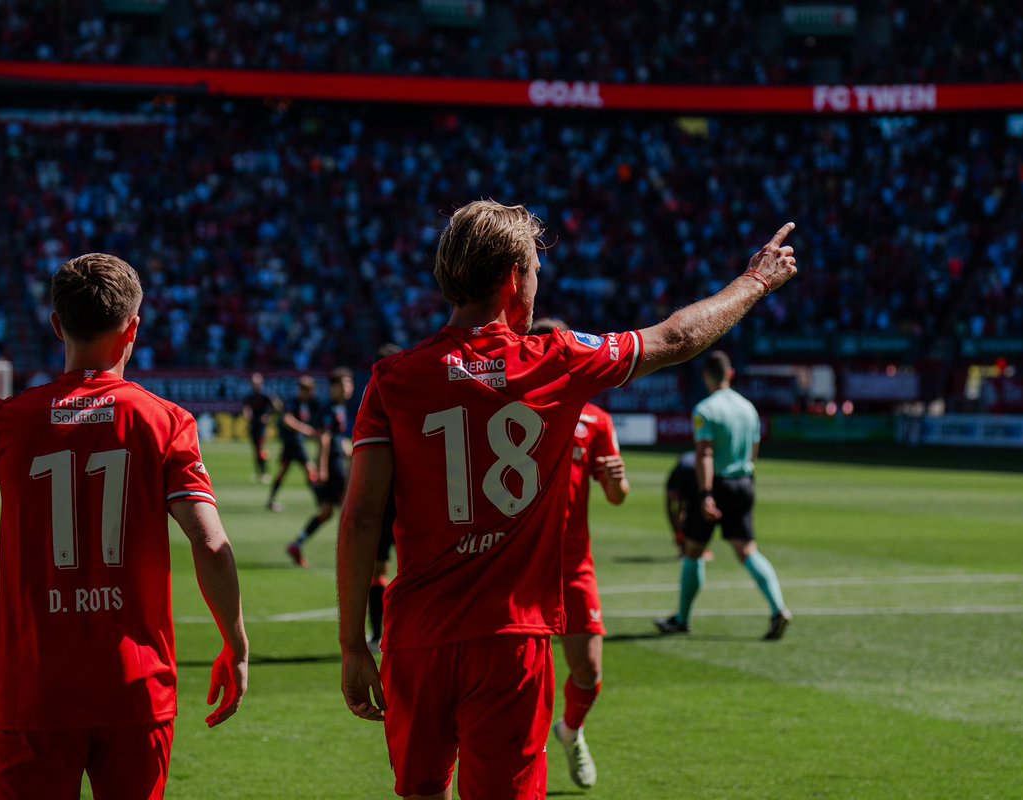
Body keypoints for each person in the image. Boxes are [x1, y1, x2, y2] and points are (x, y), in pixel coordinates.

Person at [337, 200, 797, 800]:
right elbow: (679, 337)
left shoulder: (392, 378)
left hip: (416, 637)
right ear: (512, 279)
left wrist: (351, 644)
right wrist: (755, 280)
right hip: (511, 640)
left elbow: (362, 518)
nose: (536, 282)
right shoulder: (557, 360)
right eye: (533, 269)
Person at [0, 253, 249, 800]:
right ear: (133, 327)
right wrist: (235, 643)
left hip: (35, 690)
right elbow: (210, 542)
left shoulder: (7, 420)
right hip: (137, 688)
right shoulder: (167, 422)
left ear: (57, 325)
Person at [526, 317, 628, 790]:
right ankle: (527, 755)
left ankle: (571, 731)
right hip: (521, 566)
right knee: (522, 680)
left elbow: (618, 495)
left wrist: (615, 479)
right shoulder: (510, 409)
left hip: (574, 564)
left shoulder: (595, 419)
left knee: (587, 669)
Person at [656, 350, 792, 640]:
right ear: (731, 374)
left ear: (707, 376)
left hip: (716, 484)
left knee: (692, 551)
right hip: (744, 481)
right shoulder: (748, 408)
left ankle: (682, 619)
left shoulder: (706, 409)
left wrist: (705, 493)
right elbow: (754, 452)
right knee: (747, 550)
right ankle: (778, 608)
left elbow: (704, 454)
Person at [287, 367, 354, 566]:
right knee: (349, 510)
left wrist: (347, 448)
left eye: (349, 384)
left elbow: (335, 438)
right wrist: (322, 467)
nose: (347, 389)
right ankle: (349, 556)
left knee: (326, 511)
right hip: (334, 466)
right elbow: (325, 439)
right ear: (333, 388)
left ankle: (297, 544)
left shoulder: (339, 408)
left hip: (335, 462)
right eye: (343, 385)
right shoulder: (331, 408)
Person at [367, 345, 402, 654]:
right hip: (410, 499)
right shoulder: (415, 400)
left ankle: (377, 635)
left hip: (381, 500)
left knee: (377, 569)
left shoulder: (372, 404)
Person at [267, 375, 319, 512]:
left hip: (292, 444)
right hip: (294, 442)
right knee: (310, 469)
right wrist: (305, 429)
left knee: (283, 472)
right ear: (304, 390)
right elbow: (287, 420)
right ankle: (320, 501)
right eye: (310, 390)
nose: (312, 393)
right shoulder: (294, 402)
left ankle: (271, 500)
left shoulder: (305, 404)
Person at [665, 452, 714, 561]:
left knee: (682, 511)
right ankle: (692, 546)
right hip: (693, 475)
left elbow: (673, 506)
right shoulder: (691, 462)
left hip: (689, 475)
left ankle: (688, 546)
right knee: (693, 511)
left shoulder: (684, 466)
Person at [242, 372, 275, 483]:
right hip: (253, 426)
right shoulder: (250, 396)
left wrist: (267, 416)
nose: (254, 385)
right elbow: (246, 407)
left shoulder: (266, 395)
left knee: (261, 449)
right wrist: (247, 413)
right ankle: (259, 473)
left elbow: (274, 407)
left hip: (261, 427)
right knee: (256, 451)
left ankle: (265, 472)